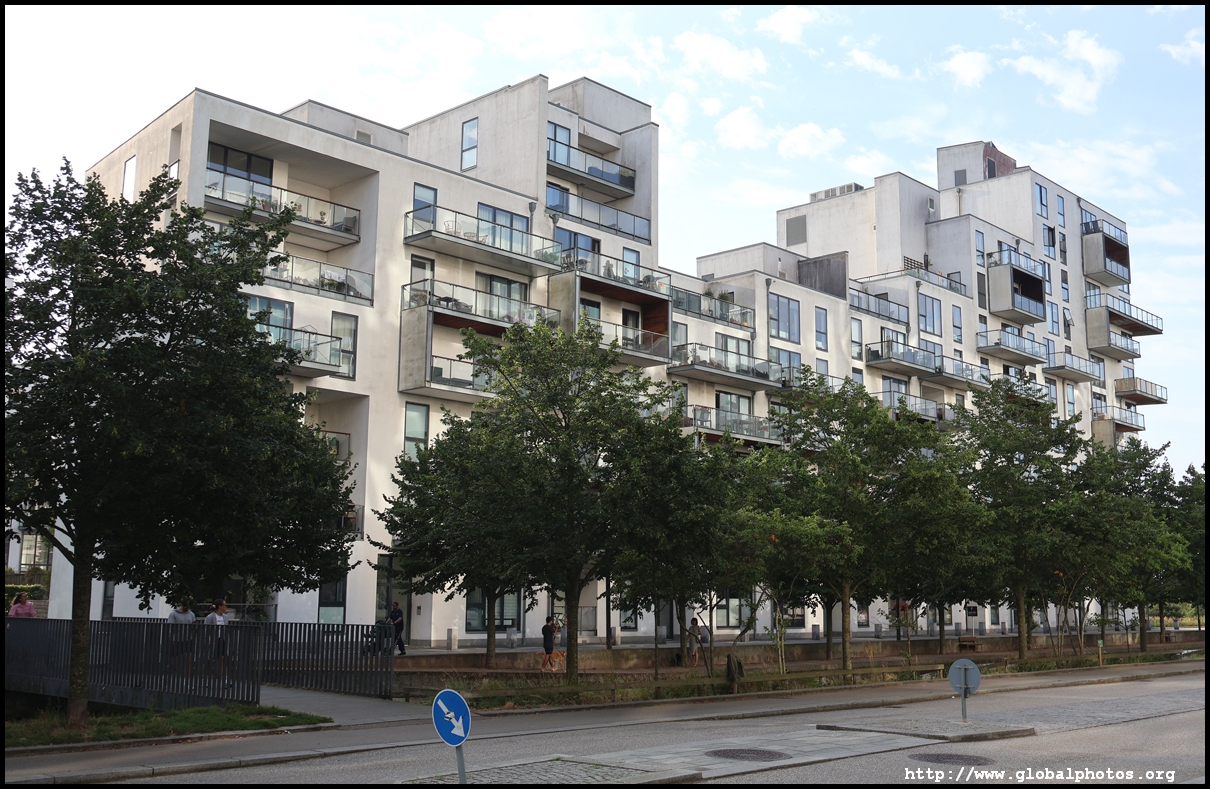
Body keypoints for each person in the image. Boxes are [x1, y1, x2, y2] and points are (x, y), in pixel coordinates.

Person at [204, 599, 230, 686]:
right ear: (220, 606)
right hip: (214, 639)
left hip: (222, 639)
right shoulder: (210, 617)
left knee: (223, 659)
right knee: (211, 659)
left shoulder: (225, 617)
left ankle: (224, 678)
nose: (225, 607)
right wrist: (208, 639)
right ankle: (207, 678)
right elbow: (206, 629)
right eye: (224, 605)